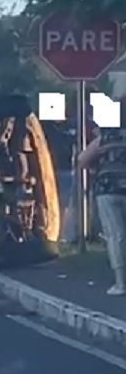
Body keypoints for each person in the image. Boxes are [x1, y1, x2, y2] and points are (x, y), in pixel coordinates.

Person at [76, 78, 126, 296]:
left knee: (115, 235)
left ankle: (120, 283)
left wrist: (98, 169)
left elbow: (82, 160)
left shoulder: (107, 134)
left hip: (108, 188)